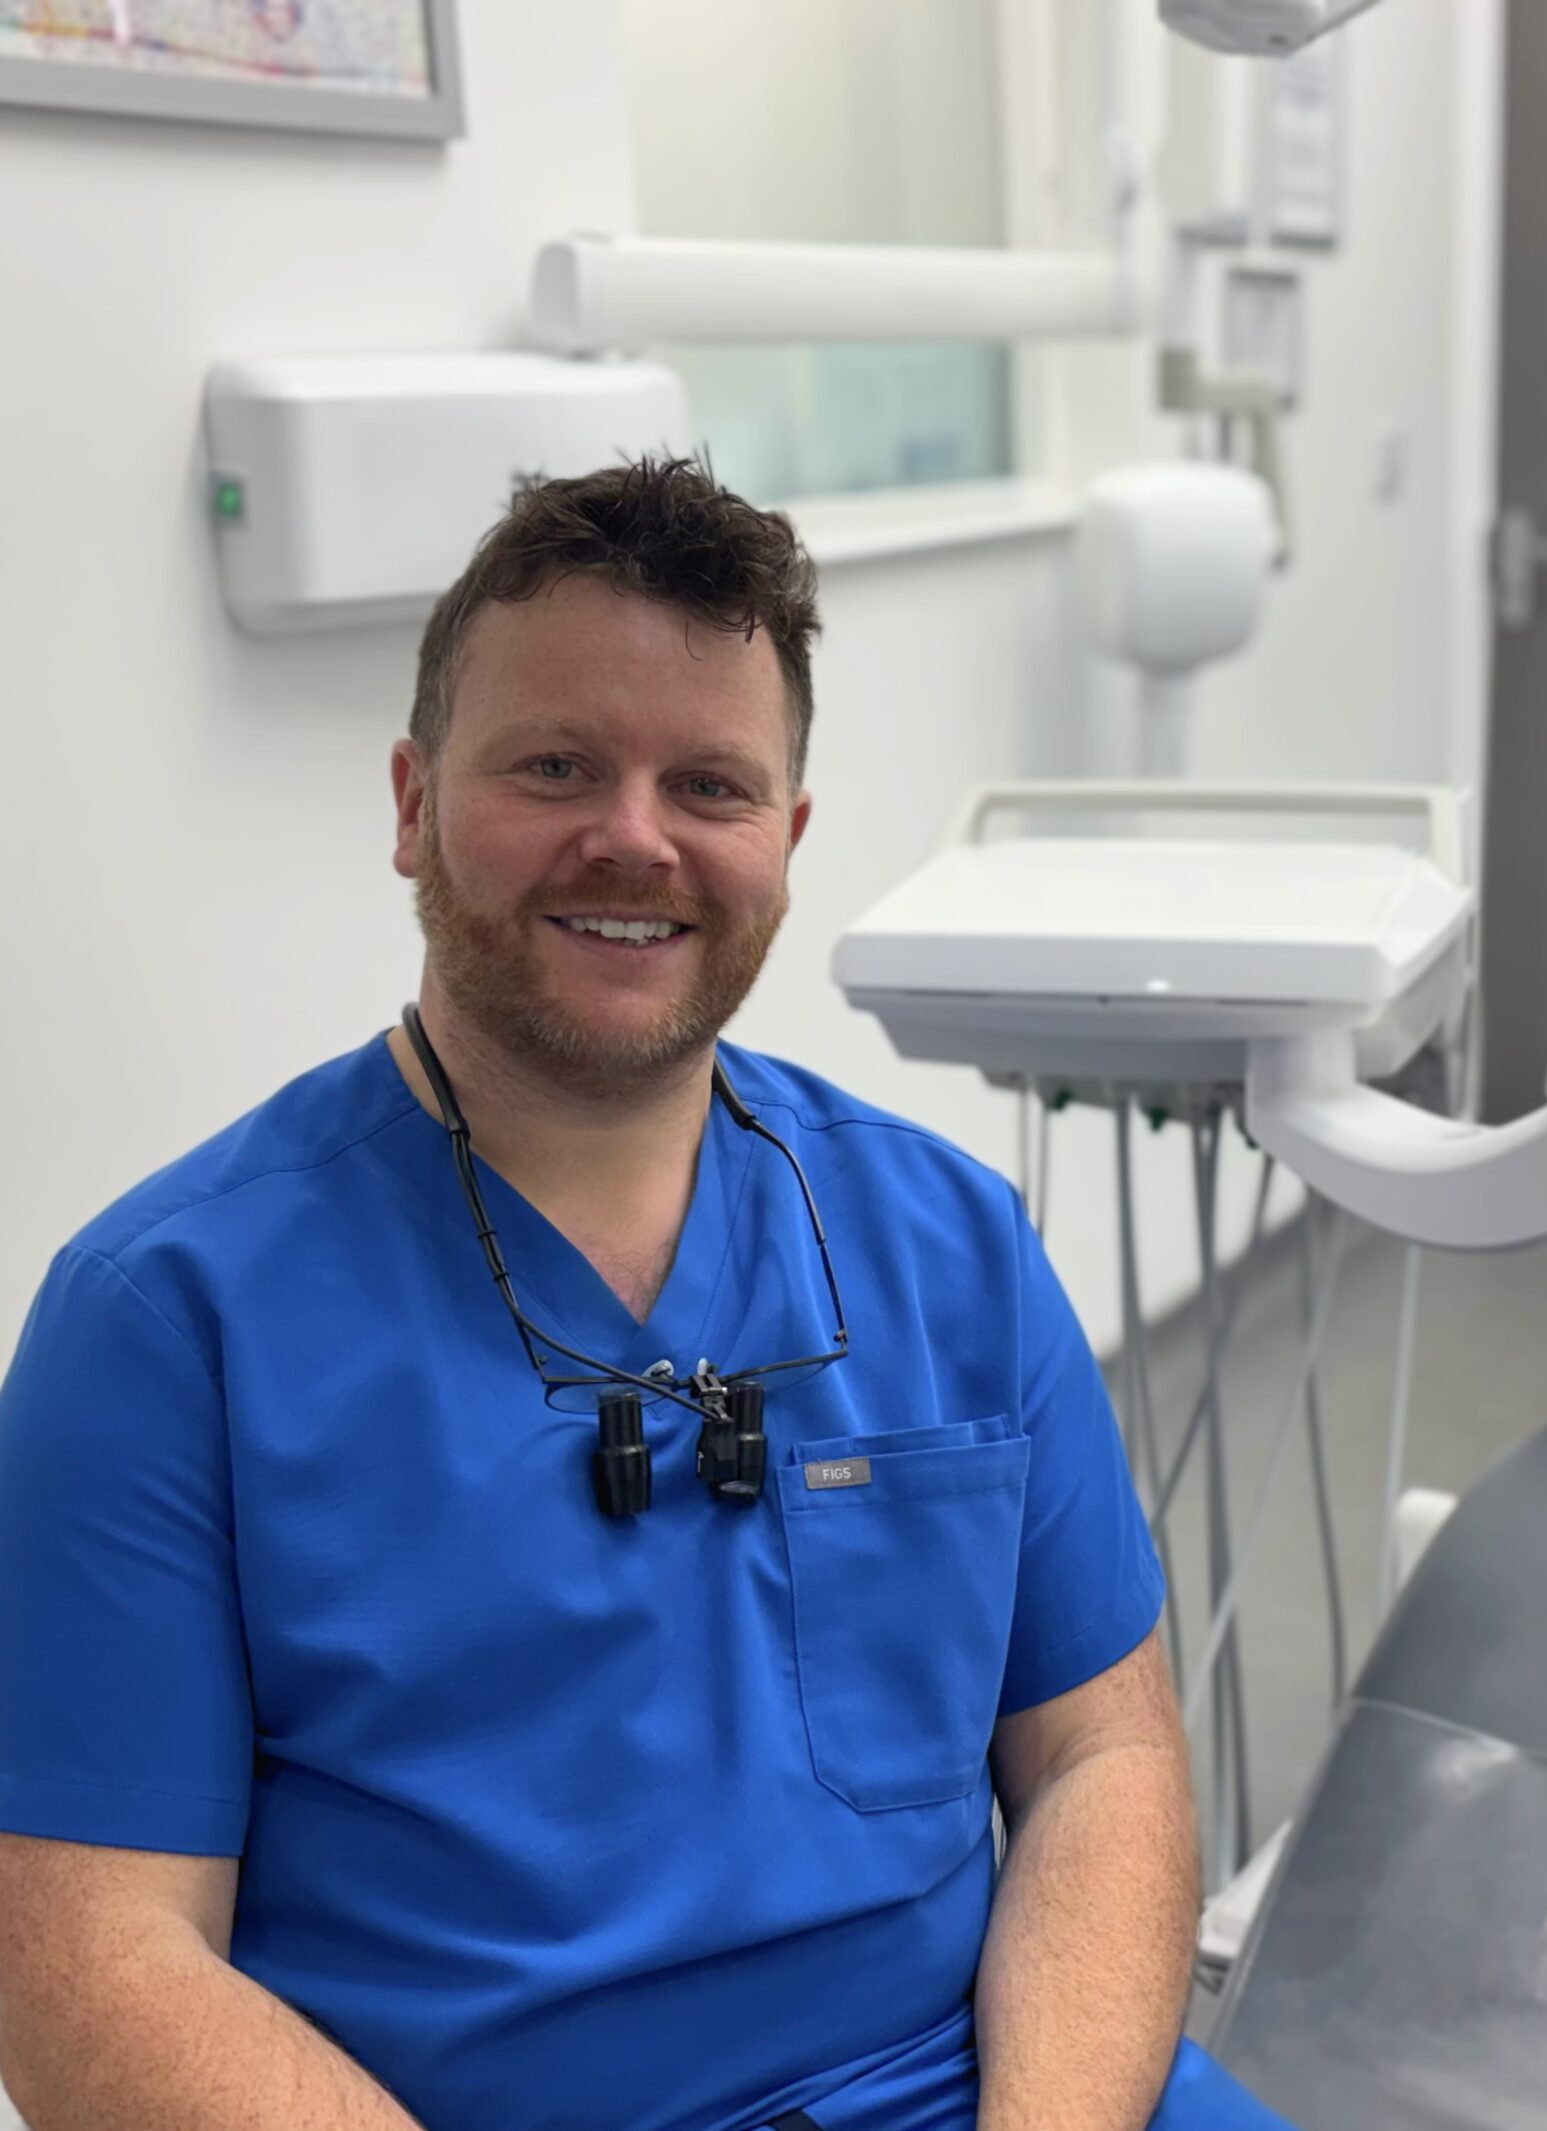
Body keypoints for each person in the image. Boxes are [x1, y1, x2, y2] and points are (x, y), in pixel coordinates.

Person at [0, 460, 1293, 2131]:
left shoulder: (952, 1245)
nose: (635, 837)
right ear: (411, 803)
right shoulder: (167, 1325)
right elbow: (90, 1960)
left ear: (786, 842)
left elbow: (1101, 1761)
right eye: (555, 766)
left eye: (710, 785)